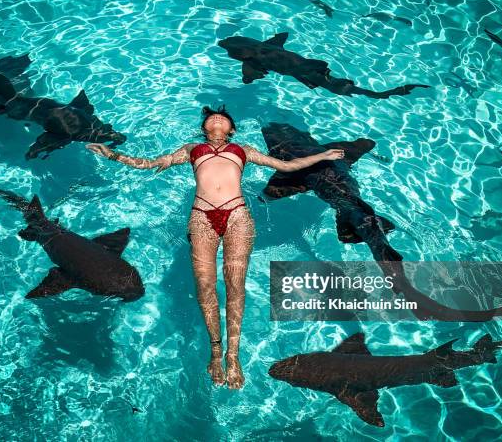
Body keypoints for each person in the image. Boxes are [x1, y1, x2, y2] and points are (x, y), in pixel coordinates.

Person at [86, 105, 344, 389]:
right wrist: (112, 155)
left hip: (237, 215)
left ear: (231, 129)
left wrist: (323, 155)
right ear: (204, 128)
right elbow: (150, 163)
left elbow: (285, 166)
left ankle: (233, 356)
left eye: (224, 117)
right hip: (201, 217)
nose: (218, 118)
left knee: (236, 284)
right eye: (212, 117)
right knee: (205, 285)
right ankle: (215, 350)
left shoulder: (243, 150)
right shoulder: (191, 150)